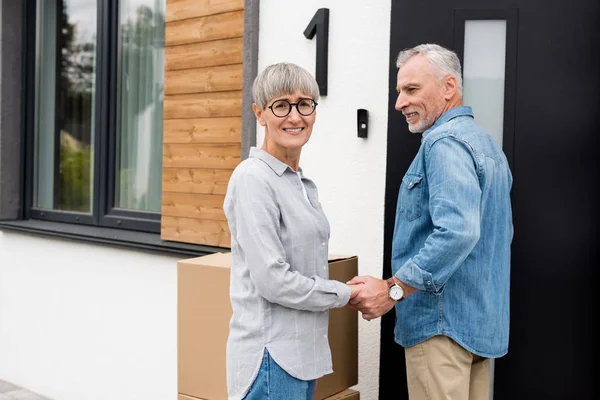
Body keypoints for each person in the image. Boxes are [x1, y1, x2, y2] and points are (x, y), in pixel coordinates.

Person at [348, 43, 514, 399]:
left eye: (411, 90)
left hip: (441, 329)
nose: (399, 103)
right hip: (479, 327)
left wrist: (394, 289)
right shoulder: (487, 146)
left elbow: (458, 231)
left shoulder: (444, 143)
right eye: (398, 92)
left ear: (449, 87)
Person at [223, 62, 361, 400]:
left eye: (304, 104)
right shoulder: (253, 179)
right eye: (281, 105)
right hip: (271, 358)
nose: (295, 116)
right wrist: (346, 294)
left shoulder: (300, 182)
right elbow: (273, 280)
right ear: (260, 113)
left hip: (301, 357)